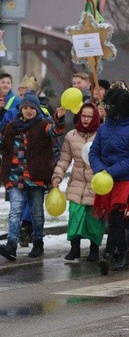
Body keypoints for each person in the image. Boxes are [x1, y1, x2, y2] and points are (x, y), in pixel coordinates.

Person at [0, 92, 66, 261]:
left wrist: (58, 118)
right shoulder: (11, 127)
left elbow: (56, 131)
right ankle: (11, 245)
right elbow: (2, 145)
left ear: (37, 109)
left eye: (32, 108)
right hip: (15, 177)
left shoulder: (43, 125)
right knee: (15, 211)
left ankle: (38, 241)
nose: (28, 111)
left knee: (37, 212)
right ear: (20, 109)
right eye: (25, 108)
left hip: (35, 177)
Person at [89, 87, 129, 274]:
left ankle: (109, 254)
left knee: (116, 217)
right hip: (104, 178)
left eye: (112, 105)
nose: (108, 108)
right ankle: (123, 252)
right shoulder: (103, 128)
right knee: (110, 218)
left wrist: (112, 171)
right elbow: (93, 152)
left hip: (124, 179)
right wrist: (100, 169)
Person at [52, 103, 106, 261]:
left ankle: (94, 249)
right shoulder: (71, 136)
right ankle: (74, 248)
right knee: (75, 215)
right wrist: (57, 176)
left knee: (94, 219)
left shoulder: (102, 135)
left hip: (96, 183)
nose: (86, 119)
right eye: (83, 116)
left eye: (89, 116)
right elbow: (64, 160)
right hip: (76, 183)